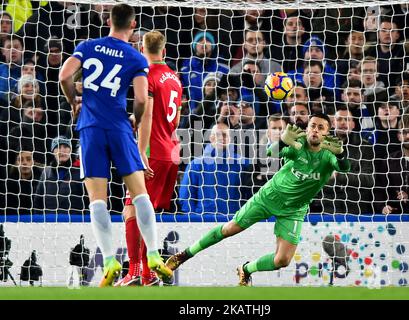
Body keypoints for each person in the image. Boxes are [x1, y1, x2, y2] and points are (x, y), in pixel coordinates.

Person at [58, 3, 172, 287]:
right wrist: (135, 117)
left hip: (90, 128)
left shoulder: (88, 46)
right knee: (139, 192)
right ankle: (155, 255)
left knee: (98, 198)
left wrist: (74, 102)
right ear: (133, 26)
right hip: (120, 128)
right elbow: (143, 99)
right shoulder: (135, 57)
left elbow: (64, 76)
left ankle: (109, 260)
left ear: (108, 20)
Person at [166, 113, 349, 286]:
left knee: (282, 260)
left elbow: (344, 167)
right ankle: (184, 255)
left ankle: (246, 269)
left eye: (321, 127)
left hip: (295, 209)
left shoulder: (329, 155)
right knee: (229, 229)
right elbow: (271, 153)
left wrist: (341, 154)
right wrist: (283, 140)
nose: (316, 130)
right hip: (269, 197)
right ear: (307, 129)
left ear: (327, 133)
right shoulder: (298, 144)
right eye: (312, 126)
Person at [115, 30, 183, 287]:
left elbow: (149, 116)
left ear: (142, 50)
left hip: (152, 152)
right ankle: (146, 274)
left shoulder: (147, 76)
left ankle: (135, 271)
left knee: (131, 208)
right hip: (171, 150)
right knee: (146, 211)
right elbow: (173, 118)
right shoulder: (174, 78)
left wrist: (141, 151)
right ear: (163, 51)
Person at [34, 136, 87, 215]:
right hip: (50, 223)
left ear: (70, 150)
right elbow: (38, 200)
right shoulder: (46, 172)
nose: (62, 150)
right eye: (58, 147)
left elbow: (87, 199)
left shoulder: (81, 171)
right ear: (53, 151)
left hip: (76, 223)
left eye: (65, 147)